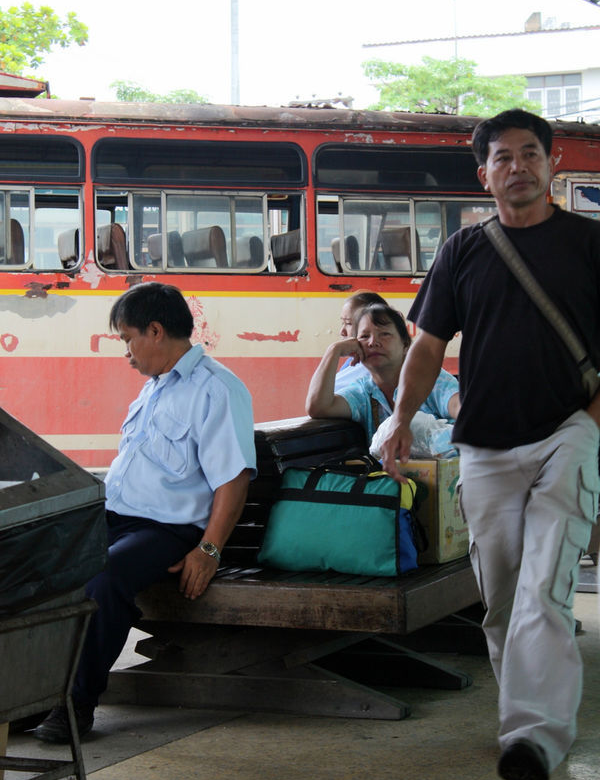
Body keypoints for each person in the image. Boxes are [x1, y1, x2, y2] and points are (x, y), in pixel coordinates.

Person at [379, 108, 600, 780]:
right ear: (485, 175)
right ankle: (525, 724)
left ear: (552, 163)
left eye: (530, 153)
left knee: (545, 586)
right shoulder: (462, 251)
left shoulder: (592, 244)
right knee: (502, 599)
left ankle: (534, 737)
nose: (518, 167)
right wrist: (401, 418)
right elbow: (427, 345)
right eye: (502, 158)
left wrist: (592, 423)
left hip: (569, 431)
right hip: (484, 446)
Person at [34, 282, 256, 743]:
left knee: (106, 576)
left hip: (170, 529)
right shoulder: (153, 390)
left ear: (156, 331)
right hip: (115, 515)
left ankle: (76, 704)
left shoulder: (216, 389)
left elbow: (234, 477)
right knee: (34, 555)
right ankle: (30, 695)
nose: (126, 353)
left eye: (127, 339)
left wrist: (209, 550)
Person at [306, 302, 459, 441]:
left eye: (385, 334)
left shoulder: (430, 378)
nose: (373, 342)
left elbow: (458, 407)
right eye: (364, 337)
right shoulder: (363, 392)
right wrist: (333, 351)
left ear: (405, 345)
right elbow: (319, 407)